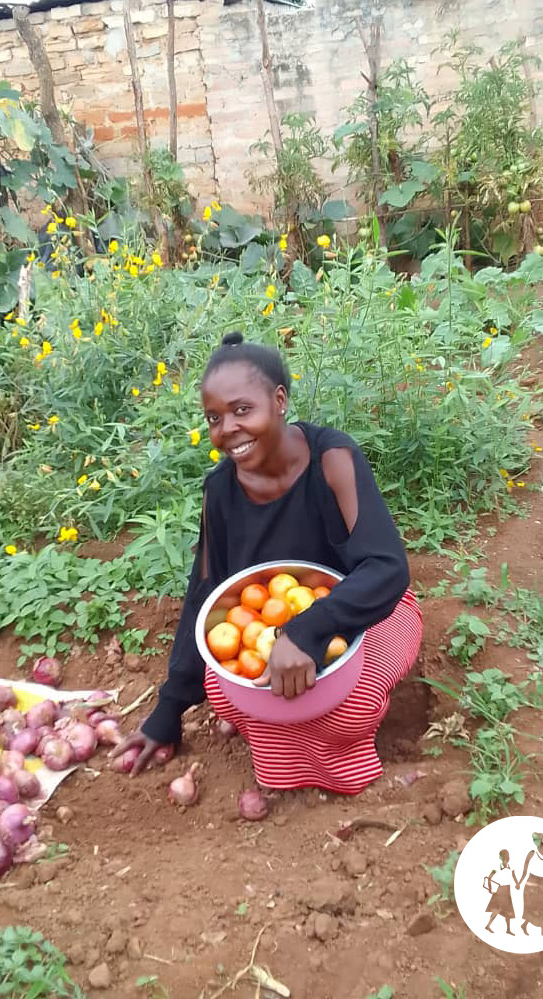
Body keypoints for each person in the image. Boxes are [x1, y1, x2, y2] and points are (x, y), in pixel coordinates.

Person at [111, 332, 422, 794]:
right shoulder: (220, 492)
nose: (227, 429)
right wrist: (168, 709)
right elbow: (205, 595)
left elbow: (387, 567)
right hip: (263, 627)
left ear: (279, 400)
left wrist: (305, 629)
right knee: (225, 688)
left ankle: (346, 763)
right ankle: (290, 754)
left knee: (348, 700)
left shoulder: (332, 459)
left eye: (242, 410)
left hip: (367, 611)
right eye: (214, 418)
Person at [483, 849, 516, 935]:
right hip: (501, 890)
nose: (506, 859)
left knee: (508, 911)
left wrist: (517, 883)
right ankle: (488, 925)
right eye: (504, 857)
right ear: (500, 857)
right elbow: (490, 877)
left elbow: (513, 875)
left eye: (507, 857)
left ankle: (508, 929)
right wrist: (490, 890)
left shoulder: (510, 866)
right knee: (497, 910)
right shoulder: (497, 866)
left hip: (507, 890)